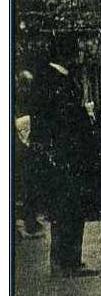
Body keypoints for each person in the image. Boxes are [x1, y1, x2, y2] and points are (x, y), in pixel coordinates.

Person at [31, 36, 101, 277]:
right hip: (69, 157)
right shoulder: (58, 81)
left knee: (65, 209)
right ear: (68, 55)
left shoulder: (48, 79)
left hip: (60, 156)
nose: (80, 57)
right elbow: (63, 121)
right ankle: (67, 262)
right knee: (70, 209)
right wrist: (84, 116)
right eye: (77, 53)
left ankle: (64, 260)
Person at [14, 68, 45, 239]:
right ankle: (29, 222)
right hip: (21, 146)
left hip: (27, 145)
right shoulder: (19, 99)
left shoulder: (26, 98)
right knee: (26, 186)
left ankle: (30, 221)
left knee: (30, 185)